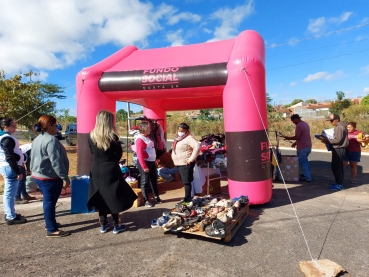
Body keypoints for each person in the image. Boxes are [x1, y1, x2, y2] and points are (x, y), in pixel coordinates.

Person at [87, 110, 137, 234]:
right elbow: (118, 155)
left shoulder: (91, 135)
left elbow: (92, 152)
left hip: (96, 168)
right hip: (110, 168)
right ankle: (116, 224)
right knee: (114, 195)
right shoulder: (113, 137)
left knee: (100, 195)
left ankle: (103, 224)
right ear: (109, 121)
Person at [31, 115, 70, 237]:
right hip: (49, 177)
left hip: (38, 175)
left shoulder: (38, 139)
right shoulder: (51, 140)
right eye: (55, 124)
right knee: (49, 202)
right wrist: (64, 177)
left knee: (48, 202)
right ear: (48, 126)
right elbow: (56, 161)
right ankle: (51, 229)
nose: (57, 127)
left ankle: (50, 223)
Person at [0, 118, 28, 225]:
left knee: (9, 193)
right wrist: (18, 171)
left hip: (8, 167)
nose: (15, 127)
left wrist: (18, 156)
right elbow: (9, 156)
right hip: (10, 168)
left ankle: (10, 213)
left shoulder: (5, 137)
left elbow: (10, 154)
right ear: (5, 127)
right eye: (13, 125)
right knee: (9, 193)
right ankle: (10, 216)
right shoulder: (6, 138)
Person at [135, 121, 162, 207]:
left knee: (154, 179)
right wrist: (144, 166)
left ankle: (156, 196)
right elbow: (139, 154)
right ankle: (146, 199)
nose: (151, 129)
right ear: (145, 129)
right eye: (149, 127)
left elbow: (151, 149)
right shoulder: (140, 139)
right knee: (145, 181)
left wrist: (154, 159)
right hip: (145, 163)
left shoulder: (147, 137)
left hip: (151, 161)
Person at [171, 122, 200, 202]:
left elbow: (197, 147)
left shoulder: (189, 138)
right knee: (185, 181)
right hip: (179, 163)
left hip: (185, 163)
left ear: (186, 130)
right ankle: (187, 197)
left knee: (187, 181)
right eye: (179, 130)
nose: (180, 132)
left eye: (182, 130)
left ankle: (187, 198)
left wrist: (191, 159)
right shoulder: (177, 138)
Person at [321, 114, 349, 191]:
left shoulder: (339, 128)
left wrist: (326, 140)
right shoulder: (342, 127)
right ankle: (339, 183)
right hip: (340, 149)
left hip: (338, 149)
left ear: (337, 119)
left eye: (332, 120)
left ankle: (339, 184)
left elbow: (337, 140)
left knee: (336, 167)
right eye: (330, 121)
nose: (331, 122)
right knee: (339, 167)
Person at [282, 114, 312, 182]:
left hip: (302, 147)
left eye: (293, 121)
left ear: (296, 119)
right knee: (305, 161)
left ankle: (307, 177)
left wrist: (288, 138)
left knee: (303, 162)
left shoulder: (299, 126)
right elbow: (303, 136)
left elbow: (297, 137)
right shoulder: (305, 124)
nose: (293, 122)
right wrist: (295, 143)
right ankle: (307, 175)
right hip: (308, 146)